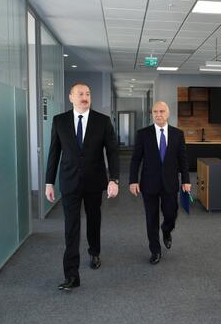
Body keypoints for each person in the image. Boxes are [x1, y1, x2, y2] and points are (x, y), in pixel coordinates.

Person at [45, 82, 119, 291]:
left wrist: (114, 179)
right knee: (71, 226)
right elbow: (54, 153)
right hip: (69, 181)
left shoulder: (102, 121)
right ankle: (71, 275)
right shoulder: (59, 121)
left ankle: (94, 251)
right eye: (80, 94)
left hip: (94, 181)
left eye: (87, 93)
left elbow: (112, 151)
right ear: (71, 97)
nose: (84, 97)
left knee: (94, 219)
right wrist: (49, 182)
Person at [129, 101, 191, 264]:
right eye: (155, 112)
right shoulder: (143, 134)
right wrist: (133, 180)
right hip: (149, 183)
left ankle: (166, 229)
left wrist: (186, 180)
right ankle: (155, 250)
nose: (158, 114)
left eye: (162, 111)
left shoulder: (178, 134)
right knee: (151, 217)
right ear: (152, 114)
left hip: (170, 182)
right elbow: (136, 159)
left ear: (168, 113)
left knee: (171, 213)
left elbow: (183, 159)